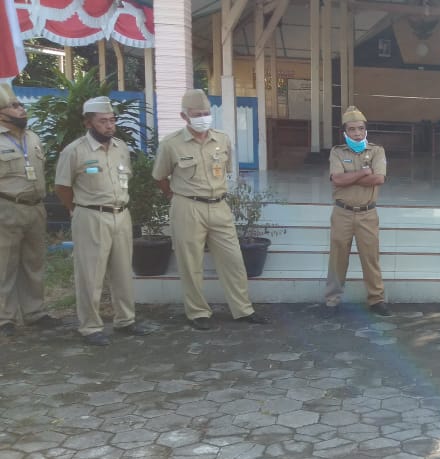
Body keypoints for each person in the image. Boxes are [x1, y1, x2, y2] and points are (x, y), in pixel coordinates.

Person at [152, 89, 269, 330]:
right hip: (188, 207)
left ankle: (243, 309)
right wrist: (175, 196)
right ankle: (197, 312)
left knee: (233, 260)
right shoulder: (171, 144)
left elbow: (226, 171)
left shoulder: (222, 140)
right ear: (184, 116)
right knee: (190, 263)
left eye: (206, 113)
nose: (203, 118)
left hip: (219, 206)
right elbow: (159, 177)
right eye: (197, 115)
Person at [54, 96, 155, 346]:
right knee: (91, 274)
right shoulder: (75, 151)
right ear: (88, 123)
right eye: (103, 121)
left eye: (112, 120)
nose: (110, 126)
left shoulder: (121, 148)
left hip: (121, 214)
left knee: (123, 271)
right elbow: (62, 187)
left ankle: (125, 320)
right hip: (91, 215)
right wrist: (76, 209)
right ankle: (90, 326)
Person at [0, 83, 62, 337]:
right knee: (4, 265)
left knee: (34, 262)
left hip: (36, 207)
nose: (21, 109)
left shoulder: (32, 137)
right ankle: (5, 318)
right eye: (14, 106)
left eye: (21, 105)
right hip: (7, 207)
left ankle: (35, 312)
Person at [325, 106, 391, 317]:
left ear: (365, 130)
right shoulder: (337, 152)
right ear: (345, 132)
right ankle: (332, 301)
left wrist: (349, 177)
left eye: (361, 128)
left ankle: (376, 300)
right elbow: (337, 179)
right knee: (337, 259)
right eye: (352, 129)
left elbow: (378, 178)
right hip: (342, 213)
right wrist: (363, 172)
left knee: (371, 258)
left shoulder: (377, 151)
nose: (357, 133)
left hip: (367, 214)